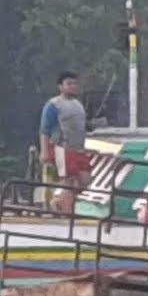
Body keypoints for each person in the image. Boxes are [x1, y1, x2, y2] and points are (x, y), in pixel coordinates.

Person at [39, 72, 92, 214]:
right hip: (61, 147)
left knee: (85, 179)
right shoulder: (53, 105)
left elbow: (81, 126)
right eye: (69, 83)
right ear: (60, 87)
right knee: (68, 181)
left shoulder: (78, 104)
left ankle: (58, 202)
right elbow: (44, 130)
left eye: (75, 83)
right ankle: (66, 212)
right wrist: (44, 152)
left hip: (78, 149)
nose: (73, 86)